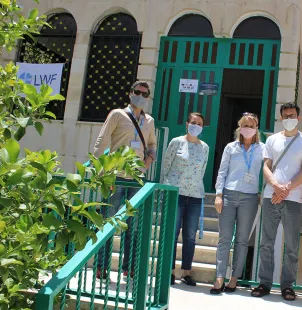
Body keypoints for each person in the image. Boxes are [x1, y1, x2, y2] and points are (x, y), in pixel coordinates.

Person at [251, 102, 302, 301]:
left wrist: (285, 189)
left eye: (292, 115)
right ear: (281, 118)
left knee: (291, 245)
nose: (289, 118)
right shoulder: (272, 140)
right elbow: (266, 166)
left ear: (299, 117)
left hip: (294, 199)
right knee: (266, 243)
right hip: (271, 196)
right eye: (286, 115)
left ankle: (287, 286)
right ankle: (264, 283)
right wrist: (276, 187)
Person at [92, 81, 157, 280]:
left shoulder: (150, 121)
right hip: (116, 176)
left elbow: (152, 144)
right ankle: (101, 266)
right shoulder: (117, 114)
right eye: (137, 92)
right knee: (108, 221)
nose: (141, 96)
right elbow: (101, 142)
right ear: (130, 94)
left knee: (133, 225)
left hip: (136, 179)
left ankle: (128, 267)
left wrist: (148, 161)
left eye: (145, 94)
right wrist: (103, 174)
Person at [211, 113, 264, 294]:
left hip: (250, 197)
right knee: (224, 238)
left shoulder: (262, 149)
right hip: (229, 194)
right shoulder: (230, 147)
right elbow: (222, 171)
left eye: (251, 125)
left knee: (242, 240)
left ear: (256, 128)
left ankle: (234, 278)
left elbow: (267, 172)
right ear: (239, 127)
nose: (248, 128)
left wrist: (262, 193)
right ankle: (219, 277)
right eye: (245, 125)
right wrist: (218, 194)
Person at [162, 112, 209, 286]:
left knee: (190, 235)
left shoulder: (205, 147)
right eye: (193, 122)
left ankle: (186, 272)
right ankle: (170, 271)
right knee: (172, 234)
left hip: (195, 195)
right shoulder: (176, 142)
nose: (196, 125)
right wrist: (168, 187)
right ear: (187, 123)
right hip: (176, 193)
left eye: (200, 123)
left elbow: (202, 169)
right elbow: (166, 165)